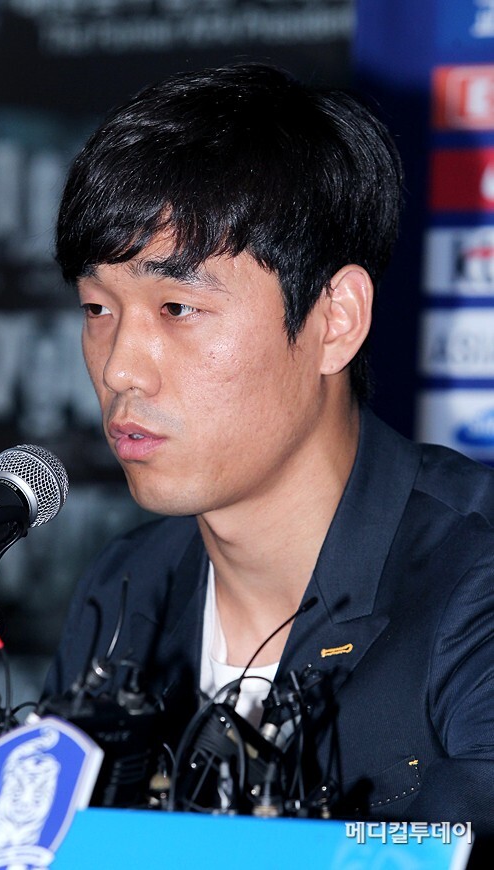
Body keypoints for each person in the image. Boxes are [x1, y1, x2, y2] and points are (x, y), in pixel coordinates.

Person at [44, 63, 494, 833]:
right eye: (96, 308)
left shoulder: (473, 577)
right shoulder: (125, 591)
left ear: (335, 320)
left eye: (177, 307)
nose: (119, 369)